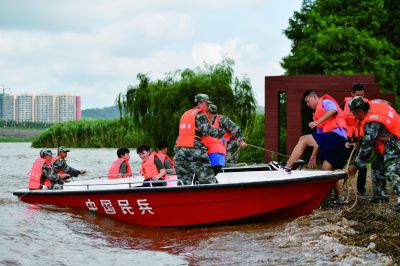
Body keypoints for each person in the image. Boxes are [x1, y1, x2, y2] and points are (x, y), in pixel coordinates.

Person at [279, 90, 349, 201]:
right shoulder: (317, 116)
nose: (308, 105)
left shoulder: (325, 101)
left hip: (338, 137)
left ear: (315, 97)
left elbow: (333, 111)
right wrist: (313, 155)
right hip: (337, 142)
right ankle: (340, 197)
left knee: (303, 139)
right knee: (326, 170)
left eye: (308, 101)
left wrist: (317, 122)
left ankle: (287, 167)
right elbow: (318, 138)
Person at [347, 96, 400, 213]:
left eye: (355, 114)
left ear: (360, 111)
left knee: (392, 171)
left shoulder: (372, 122)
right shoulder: (373, 104)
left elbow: (367, 146)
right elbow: (387, 102)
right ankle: (380, 196)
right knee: (377, 165)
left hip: (395, 140)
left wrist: (355, 165)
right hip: (386, 140)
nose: (355, 117)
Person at [174, 93, 226, 185]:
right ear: (203, 103)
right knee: (208, 180)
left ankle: (185, 198)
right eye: (208, 104)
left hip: (180, 152)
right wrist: (222, 132)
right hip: (194, 149)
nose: (208, 107)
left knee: (183, 183)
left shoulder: (185, 114)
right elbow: (207, 131)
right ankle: (215, 197)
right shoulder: (199, 114)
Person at [203, 104, 247, 175]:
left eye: (206, 113)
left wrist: (241, 141)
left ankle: (229, 179)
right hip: (219, 147)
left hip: (230, 145)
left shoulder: (222, 120)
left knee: (227, 166)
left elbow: (235, 128)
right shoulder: (207, 122)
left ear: (209, 112)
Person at [342, 83, 368, 196]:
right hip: (347, 137)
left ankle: (361, 189)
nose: (360, 98)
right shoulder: (345, 104)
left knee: (362, 164)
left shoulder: (366, 105)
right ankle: (337, 187)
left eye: (362, 95)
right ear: (352, 94)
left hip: (360, 137)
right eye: (358, 95)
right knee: (341, 162)